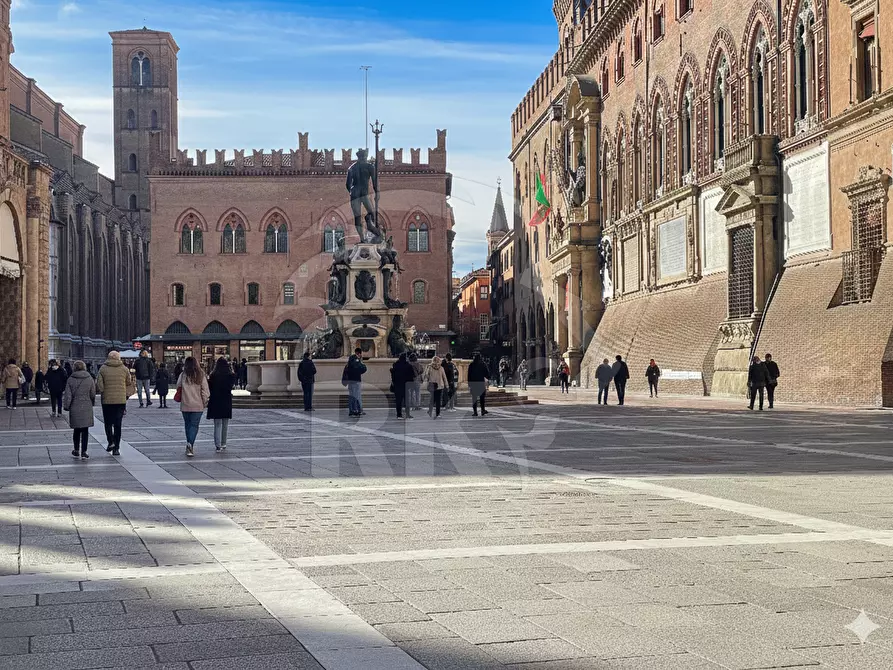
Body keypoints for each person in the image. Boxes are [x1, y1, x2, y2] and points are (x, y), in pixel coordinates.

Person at [96, 351, 135, 455]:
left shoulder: (103, 369)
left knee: (108, 423)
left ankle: (110, 441)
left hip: (107, 400)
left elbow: (99, 384)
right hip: (120, 400)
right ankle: (116, 448)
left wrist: (103, 391)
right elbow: (128, 382)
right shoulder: (124, 369)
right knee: (118, 424)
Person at [177, 356, 210, 457]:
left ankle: (189, 443)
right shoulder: (201, 375)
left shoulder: (183, 375)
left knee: (187, 424)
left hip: (185, 404)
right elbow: (205, 391)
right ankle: (190, 444)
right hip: (197, 405)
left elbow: (178, 386)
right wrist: (205, 402)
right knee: (194, 426)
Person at [63, 361, 96, 460]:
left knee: (76, 430)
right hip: (86, 405)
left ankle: (76, 449)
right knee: (85, 430)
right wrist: (91, 402)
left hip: (75, 406)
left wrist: (67, 406)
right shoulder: (89, 378)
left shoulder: (71, 379)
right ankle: (84, 451)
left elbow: (68, 395)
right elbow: (93, 393)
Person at [207, 357, 235, 453]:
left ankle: (217, 445)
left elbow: (209, 388)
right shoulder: (230, 375)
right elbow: (232, 386)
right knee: (225, 424)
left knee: (217, 424)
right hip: (226, 400)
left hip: (215, 400)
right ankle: (224, 443)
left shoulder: (213, 375)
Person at [391, 353, 415, 420]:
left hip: (397, 385)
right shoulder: (408, 366)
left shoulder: (395, 365)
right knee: (407, 401)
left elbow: (393, 376)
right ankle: (407, 414)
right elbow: (411, 376)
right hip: (406, 386)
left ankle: (399, 415)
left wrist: (394, 382)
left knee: (398, 401)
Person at [345, 348, 368, 417]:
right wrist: (362, 364)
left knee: (355, 396)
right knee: (355, 396)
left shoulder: (351, 359)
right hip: (355, 381)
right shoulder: (355, 359)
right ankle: (353, 411)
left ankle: (357, 410)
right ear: (359, 354)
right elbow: (363, 368)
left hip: (352, 380)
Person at [467, 352, 490, 417]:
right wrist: (487, 377)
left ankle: (475, 412)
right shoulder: (483, 364)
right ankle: (483, 410)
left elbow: (469, 375)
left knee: (474, 399)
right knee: (482, 398)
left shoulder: (471, 365)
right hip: (481, 383)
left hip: (473, 383)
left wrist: (469, 384)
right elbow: (487, 374)